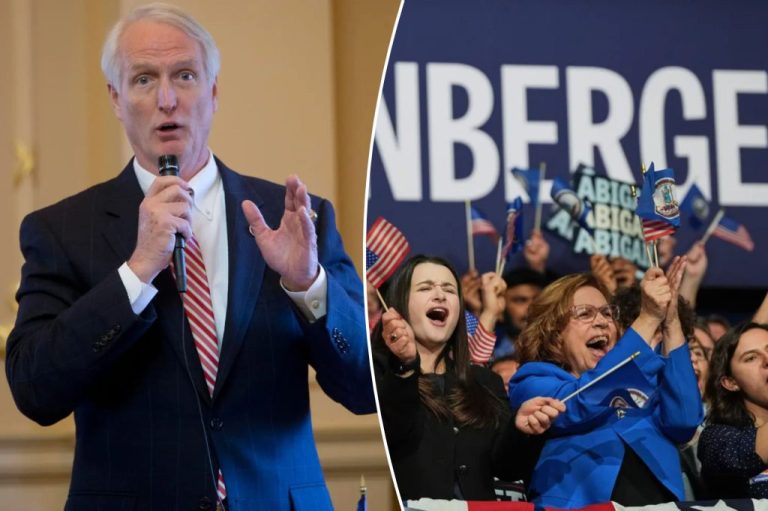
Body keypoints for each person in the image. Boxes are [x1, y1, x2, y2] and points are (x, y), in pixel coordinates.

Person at [4, 5, 372, 511]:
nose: (167, 99)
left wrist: (309, 285)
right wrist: (136, 272)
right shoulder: (62, 230)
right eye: (143, 79)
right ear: (116, 98)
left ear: (214, 91)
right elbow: (35, 391)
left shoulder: (293, 219)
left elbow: (366, 389)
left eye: (185, 75)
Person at [509, 258, 703, 508]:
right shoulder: (533, 380)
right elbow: (582, 402)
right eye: (585, 313)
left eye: (607, 313)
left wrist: (670, 321)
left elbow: (684, 421)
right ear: (554, 335)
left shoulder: (641, 380)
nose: (602, 321)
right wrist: (647, 318)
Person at [372, 255, 564, 501]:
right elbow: (394, 435)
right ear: (399, 305)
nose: (440, 295)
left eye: (449, 289)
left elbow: (507, 469)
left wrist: (520, 430)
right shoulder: (380, 374)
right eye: (426, 288)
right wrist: (405, 365)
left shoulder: (486, 381)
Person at [698, 322, 768, 499]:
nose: (767, 360)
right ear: (731, 382)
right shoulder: (717, 439)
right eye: (751, 358)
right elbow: (741, 457)